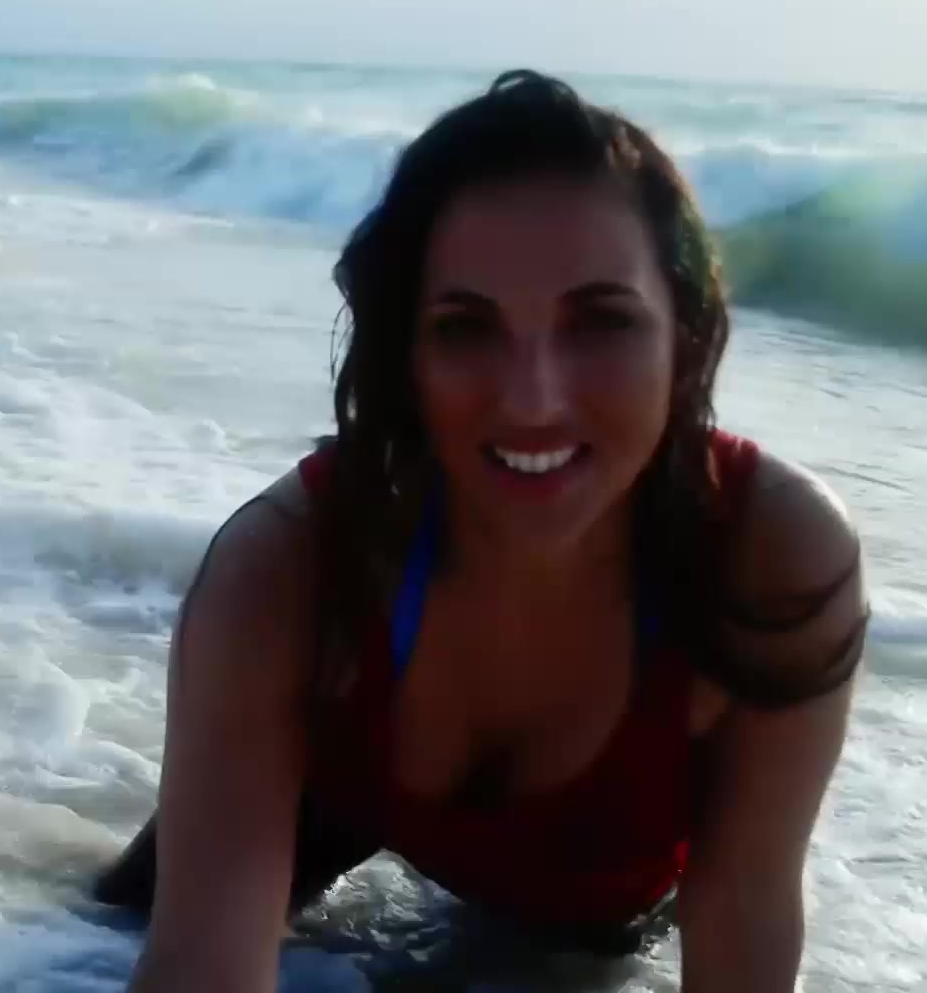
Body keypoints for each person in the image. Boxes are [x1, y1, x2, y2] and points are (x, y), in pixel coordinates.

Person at [92, 69, 869, 992]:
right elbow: (201, 970)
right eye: (465, 328)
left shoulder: (766, 556)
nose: (534, 399)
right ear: (405, 358)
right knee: (91, 935)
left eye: (601, 322)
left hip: (590, 903)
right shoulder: (291, 567)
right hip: (332, 797)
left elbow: (745, 911)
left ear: (686, 337)